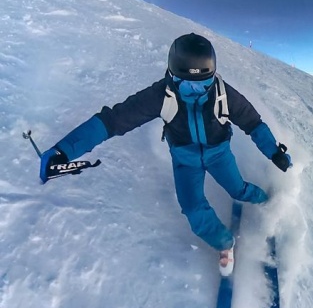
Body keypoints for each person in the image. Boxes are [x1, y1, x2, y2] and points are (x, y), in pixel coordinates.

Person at [40, 33, 292, 276]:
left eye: (203, 83)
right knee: (193, 209)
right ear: (173, 75)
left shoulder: (224, 95)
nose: (196, 90)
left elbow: (253, 123)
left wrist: (274, 152)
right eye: (188, 84)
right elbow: (113, 120)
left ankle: (266, 201)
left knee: (238, 189)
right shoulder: (161, 95)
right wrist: (64, 150)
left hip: (219, 155)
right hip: (185, 161)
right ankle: (225, 243)